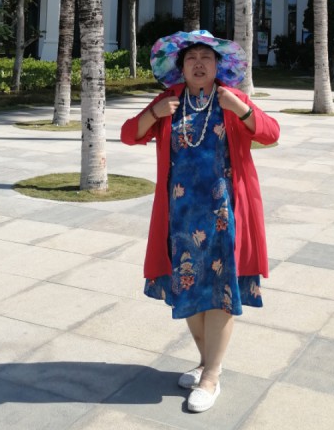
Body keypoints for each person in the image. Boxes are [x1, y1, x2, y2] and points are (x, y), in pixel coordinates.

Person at [120, 29, 280, 413]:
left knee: (220, 291)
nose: (198, 64)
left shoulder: (231, 99)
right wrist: (153, 114)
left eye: (206, 58)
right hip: (180, 215)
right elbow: (128, 135)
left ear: (218, 66)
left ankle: (211, 376)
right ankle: (208, 364)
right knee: (188, 290)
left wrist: (241, 109)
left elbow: (272, 133)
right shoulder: (169, 101)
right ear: (181, 67)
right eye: (191, 58)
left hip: (225, 214)